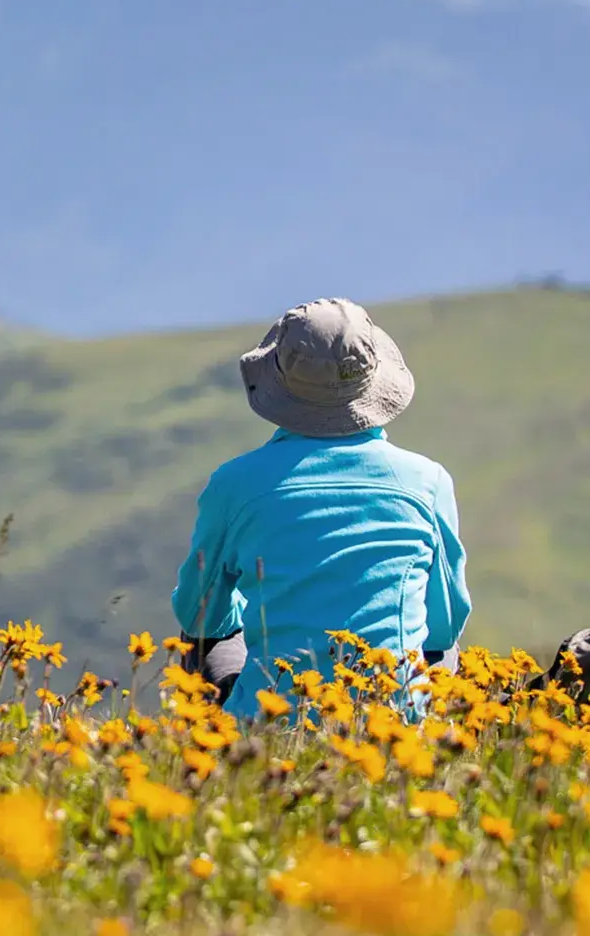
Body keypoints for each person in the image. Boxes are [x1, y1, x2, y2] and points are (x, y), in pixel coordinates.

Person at [171, 297, 471, 719]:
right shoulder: (427, 481)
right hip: (390, 722)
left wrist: (250, 607)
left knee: (202, 634)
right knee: (443, 647)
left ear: (280, 381)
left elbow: (200, 615)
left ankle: (213, 756)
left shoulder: (235, 484)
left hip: (269, 719)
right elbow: (443, 625)